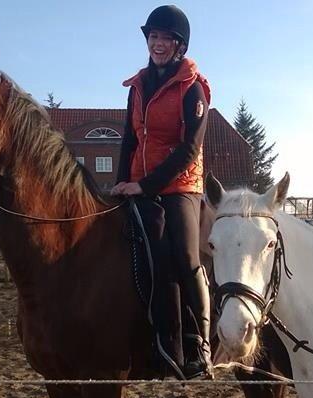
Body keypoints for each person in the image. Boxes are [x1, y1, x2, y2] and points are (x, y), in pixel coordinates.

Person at [112, 5, 212, 379]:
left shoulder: (194, 89)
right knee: (140, 250)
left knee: (184, 256)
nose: (156, 43)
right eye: (152, 37)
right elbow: (129, 139)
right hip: (140, 180)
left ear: (178, 46)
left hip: (181, 183)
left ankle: (200, 341)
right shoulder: (137, 86)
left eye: (164, 38)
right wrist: (121, 183)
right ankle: (152, 339)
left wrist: (146, 184)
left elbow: (189, 150)